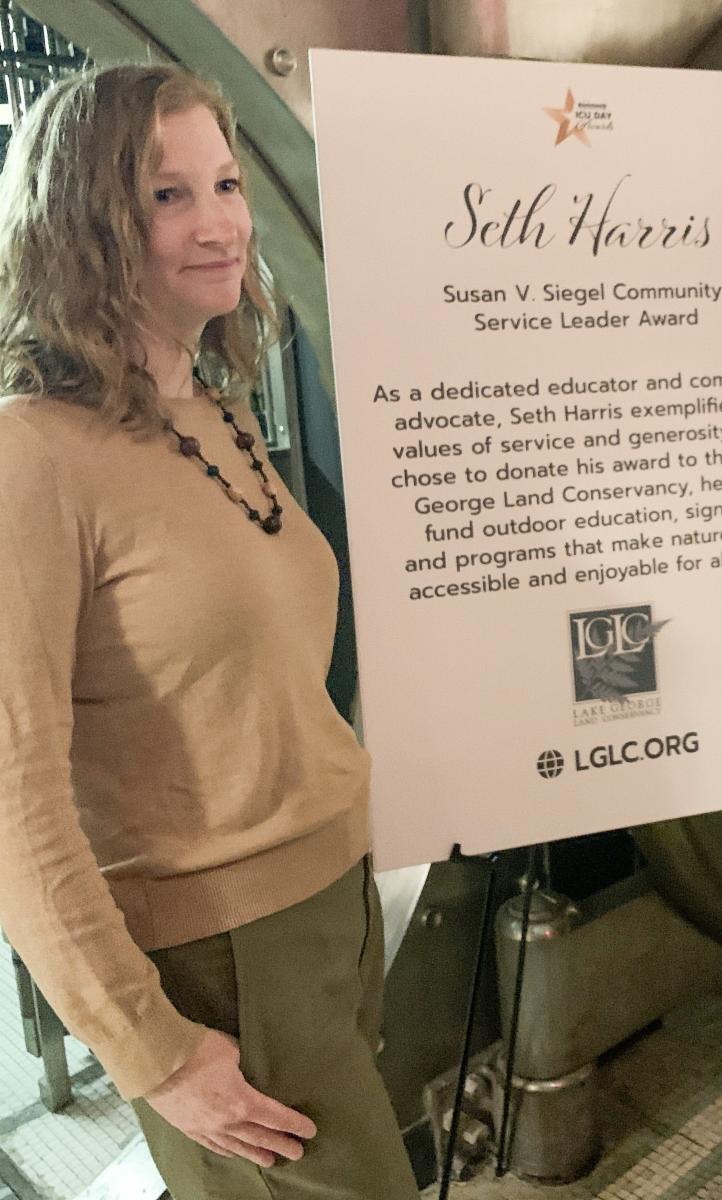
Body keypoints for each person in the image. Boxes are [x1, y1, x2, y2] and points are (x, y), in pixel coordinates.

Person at [0, 65, 420, 1199]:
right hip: (222, 951)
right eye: (167, 194)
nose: (221, 222)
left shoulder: (214, 411)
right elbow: (14, 798)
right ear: (79, 224)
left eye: (227, 184)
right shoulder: (32, 454)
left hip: (331, 902)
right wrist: (149, 1048)